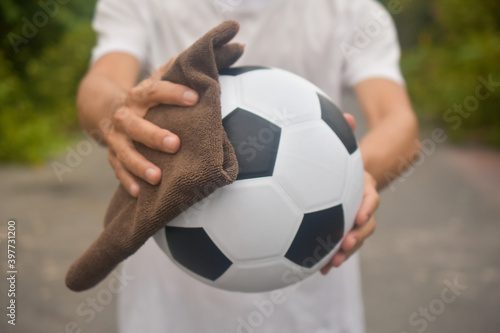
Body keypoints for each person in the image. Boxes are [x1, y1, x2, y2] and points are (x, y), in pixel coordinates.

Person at [76, 0, 419, 332]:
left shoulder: (350, 10)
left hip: (312, 310)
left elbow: (399, 123)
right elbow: (100, 83)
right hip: (169, 305)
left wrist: (357, 177)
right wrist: (119, 113)